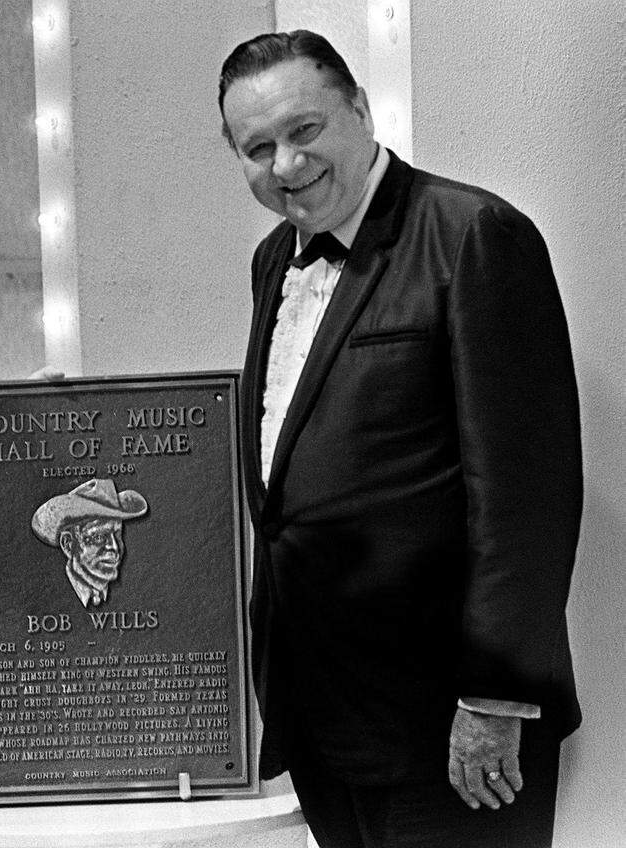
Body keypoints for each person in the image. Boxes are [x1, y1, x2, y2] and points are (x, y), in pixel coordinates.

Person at [218, 30, 581, 848]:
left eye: (305, 131)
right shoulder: (273, 259)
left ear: (361, 110)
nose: (285, 165)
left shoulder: (473, 233)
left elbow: (526, 497)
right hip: (322, 714)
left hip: (451, 723)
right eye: (258, 148)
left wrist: (493, 699)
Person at [31, 479, 148, 607]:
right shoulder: (45, 596)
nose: (114, 547)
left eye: (118, 534)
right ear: (68, 545)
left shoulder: (138, 589)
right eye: (98, 537)